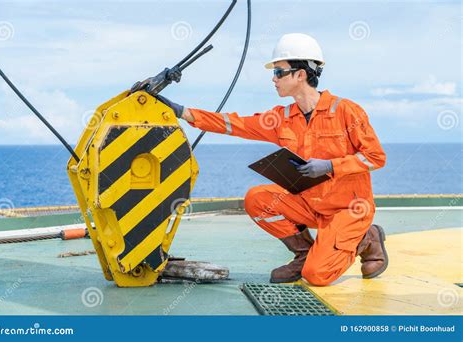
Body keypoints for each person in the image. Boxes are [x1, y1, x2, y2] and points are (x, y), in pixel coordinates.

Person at [156, 33, 388, 286]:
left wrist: (331, 166)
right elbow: (235, 124)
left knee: (317, 276)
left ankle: (366, 238)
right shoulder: (282, 117)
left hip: (349, 209)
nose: (273, 78)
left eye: (279, 72)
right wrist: (181, 111)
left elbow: (374, 157)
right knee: (258, 198)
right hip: (311, 206)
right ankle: (303, 253)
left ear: (301, 74)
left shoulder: (345, 111)